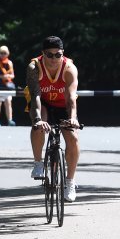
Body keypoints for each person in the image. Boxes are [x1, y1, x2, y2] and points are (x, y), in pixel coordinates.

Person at [25, 36, 82, 202]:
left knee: (72, 137)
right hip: (41, 102)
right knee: (40, 122)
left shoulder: (69, 68)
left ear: (62, 54)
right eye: (49, 55)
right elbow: (35, 95)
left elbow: (71, 98)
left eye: (58, 55)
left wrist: (72, 119)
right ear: (43, 54)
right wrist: (37, 120)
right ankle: (38, 163)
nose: (53, 59)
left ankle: (70, 182)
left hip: (62, 104)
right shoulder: (34, 66)